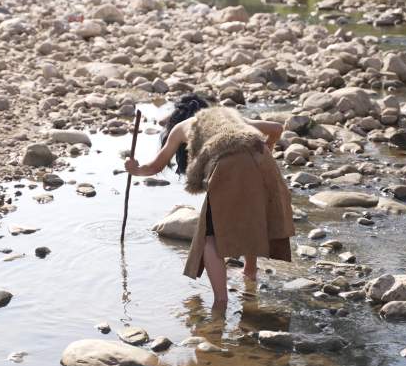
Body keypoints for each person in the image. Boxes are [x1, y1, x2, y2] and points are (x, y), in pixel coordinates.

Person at [125, 94, 295, 310]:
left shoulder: (182, 127)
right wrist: (267, 149)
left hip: (228, 164)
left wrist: (135, 169)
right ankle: (249, 273)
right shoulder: (230, 116)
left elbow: (155, 166)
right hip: (263, 163)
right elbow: (276, 128)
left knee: (209, 236)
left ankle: (220, 303)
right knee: (253, 216)